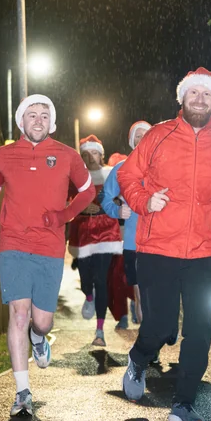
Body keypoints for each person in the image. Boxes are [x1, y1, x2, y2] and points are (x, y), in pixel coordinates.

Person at [118, 67, 211, 421]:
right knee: (159, 325)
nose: (200, 99)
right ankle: (140, 358)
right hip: (158, 247)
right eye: (194, 93)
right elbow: (128, 175)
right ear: (183, 98)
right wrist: (145, 200)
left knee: (199, 329)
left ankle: (183, 404)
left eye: (207, 95)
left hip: (204, 253)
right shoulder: (159, 135)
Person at [0, 94, 95, 417]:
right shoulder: (3, 155)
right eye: (32, 114)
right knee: (18, 313)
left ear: (52, 122)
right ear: (21, 121)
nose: (38, 120)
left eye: (44, 115)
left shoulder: (67, 155)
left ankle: (39, 337)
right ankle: (22, 393)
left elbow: (88, 191)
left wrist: (63, 216)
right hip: (13, 243)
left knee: (41, 321)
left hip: (49, 246)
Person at [69, 135, 123, 347]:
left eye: (94, 153)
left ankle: (99, 332)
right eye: (85, 154)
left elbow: (121, 195)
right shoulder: (75, 177)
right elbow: (65, 201)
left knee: (102, 279)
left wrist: (113, 203)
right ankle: (88, 296)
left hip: (106, 231)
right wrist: (80, 206)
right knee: (86, 279)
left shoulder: (110, 174)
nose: (90, 157)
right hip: (83, 232)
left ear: (101, 154)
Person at [101, 121, 151, 326]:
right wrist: (117, 210)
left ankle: (159, 335)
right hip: (134, 243)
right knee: (142, 295)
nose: (141, 140)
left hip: (165, 243)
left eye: (145, 135)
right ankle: (148, 350)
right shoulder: (122, 169)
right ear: (132, 142)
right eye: (137, 136)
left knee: (158, 297)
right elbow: (105, 198)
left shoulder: (165, 167)